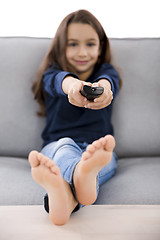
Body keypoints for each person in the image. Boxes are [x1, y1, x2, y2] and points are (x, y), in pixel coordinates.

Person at [28, 9, 121, 225]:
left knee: (100, 159)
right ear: (61, 46)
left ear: (101, 47)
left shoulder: (105, 71)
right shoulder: (52, 73)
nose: (82, 52)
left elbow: (109, 81)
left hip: (98, 150)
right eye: (72, 44)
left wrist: (103, 89)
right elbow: (60, 81)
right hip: (55, 147)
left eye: (90, 44)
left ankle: (65, 196)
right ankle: (80, 175)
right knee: (66, 146)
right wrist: (74, 86)